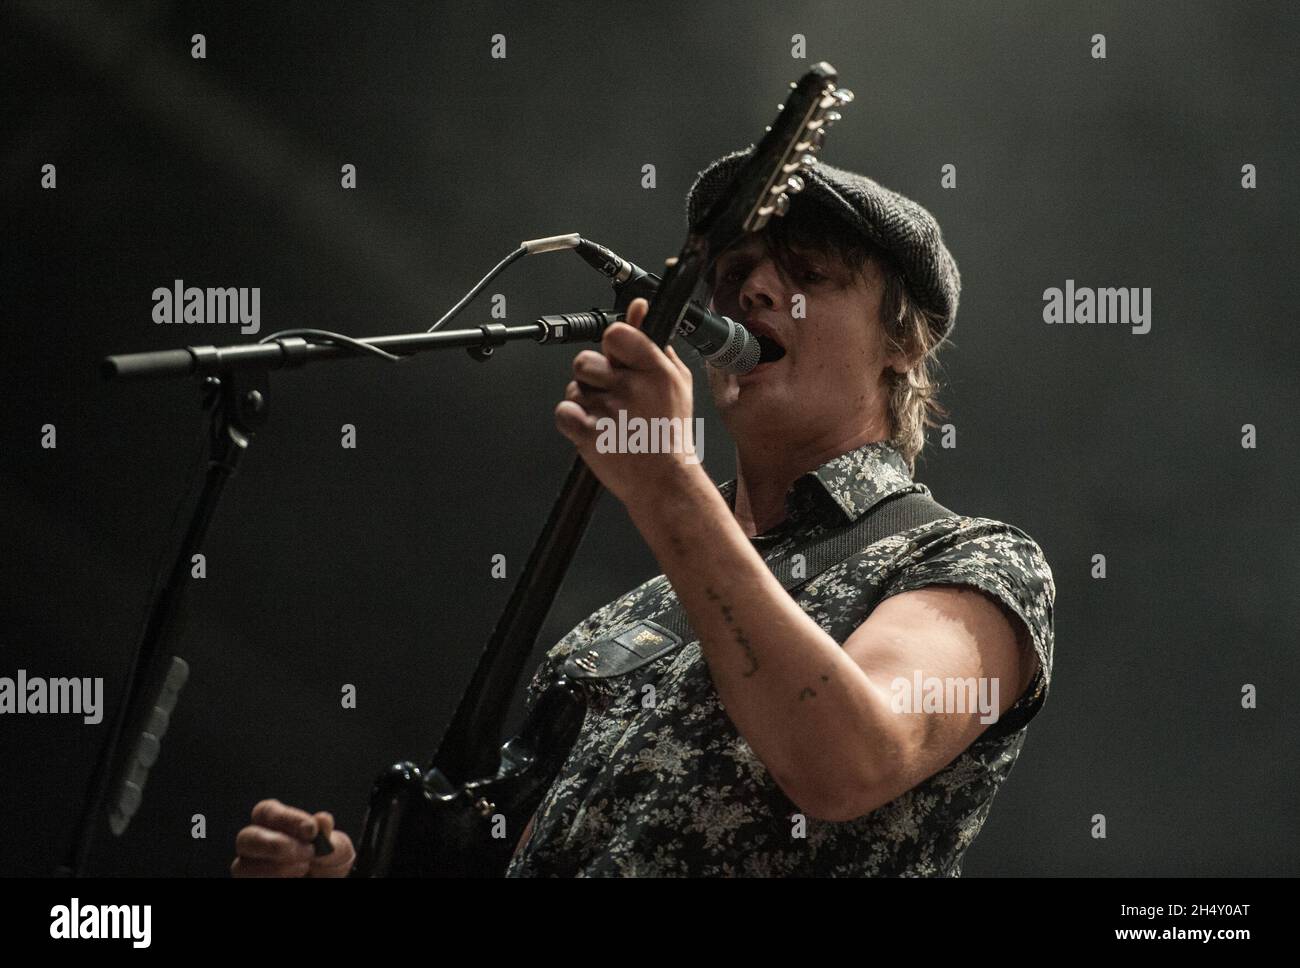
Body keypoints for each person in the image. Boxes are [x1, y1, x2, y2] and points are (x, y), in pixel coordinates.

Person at [232, 149, 1055, 877]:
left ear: (902, 341)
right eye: (734, 276)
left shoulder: (969, 561)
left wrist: (667, 480)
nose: (754, 290)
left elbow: (849, 761)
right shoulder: (622, 626)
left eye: (806, 274)